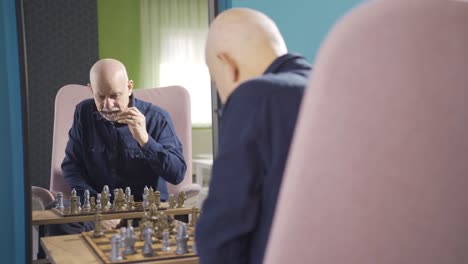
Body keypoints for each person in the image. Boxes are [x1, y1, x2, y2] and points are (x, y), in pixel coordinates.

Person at [195, 8, 312, 264]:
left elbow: (222, 236)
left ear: (228, 66)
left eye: (216, 81)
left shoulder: (255, 96)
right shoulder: (332, 86)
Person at [47, 58, 186, 235]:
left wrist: (145, 140)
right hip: (95, 209)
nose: (107, 105)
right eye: (100, 96)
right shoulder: (83, 113)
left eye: (114, 96)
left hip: (143, 212)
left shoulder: (157, 118)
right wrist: (98, 209)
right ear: (91, 90)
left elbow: (177, 174)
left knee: (167, 234)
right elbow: (71, 166)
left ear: (129, 87)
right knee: (56, 212)